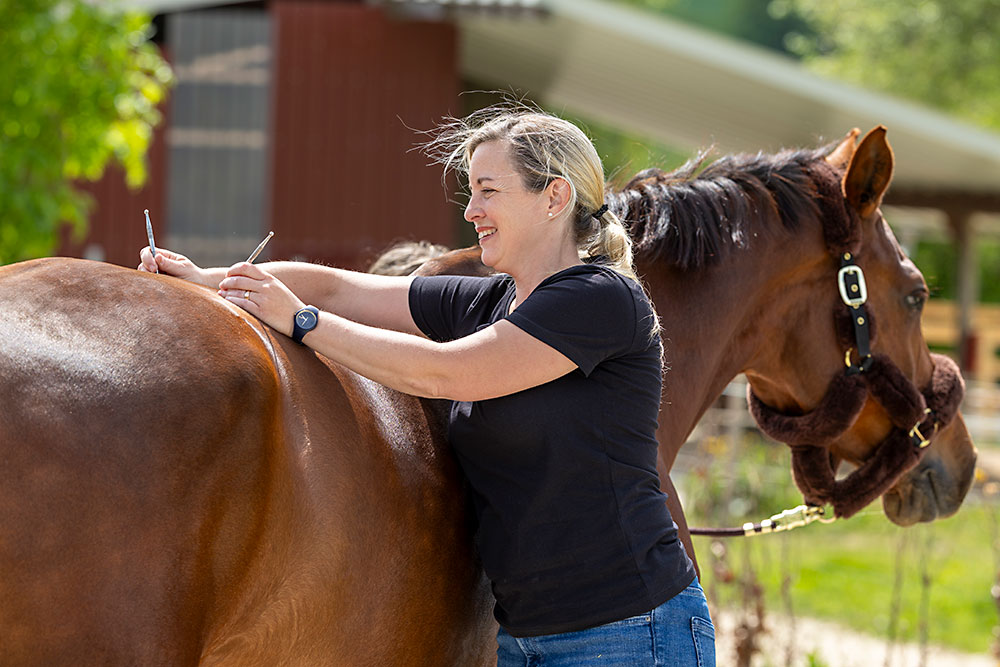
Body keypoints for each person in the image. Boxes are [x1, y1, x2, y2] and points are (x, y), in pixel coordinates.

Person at [138, 104, 715, 666]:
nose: (471, 211)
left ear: (554, 197)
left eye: (488, 191)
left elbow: (442, 372)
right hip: (526, 638)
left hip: (633, 631)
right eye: (471, 192)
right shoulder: (488, 302)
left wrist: (302, 322)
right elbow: (337, 289)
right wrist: (209, 281)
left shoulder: (601, 299)